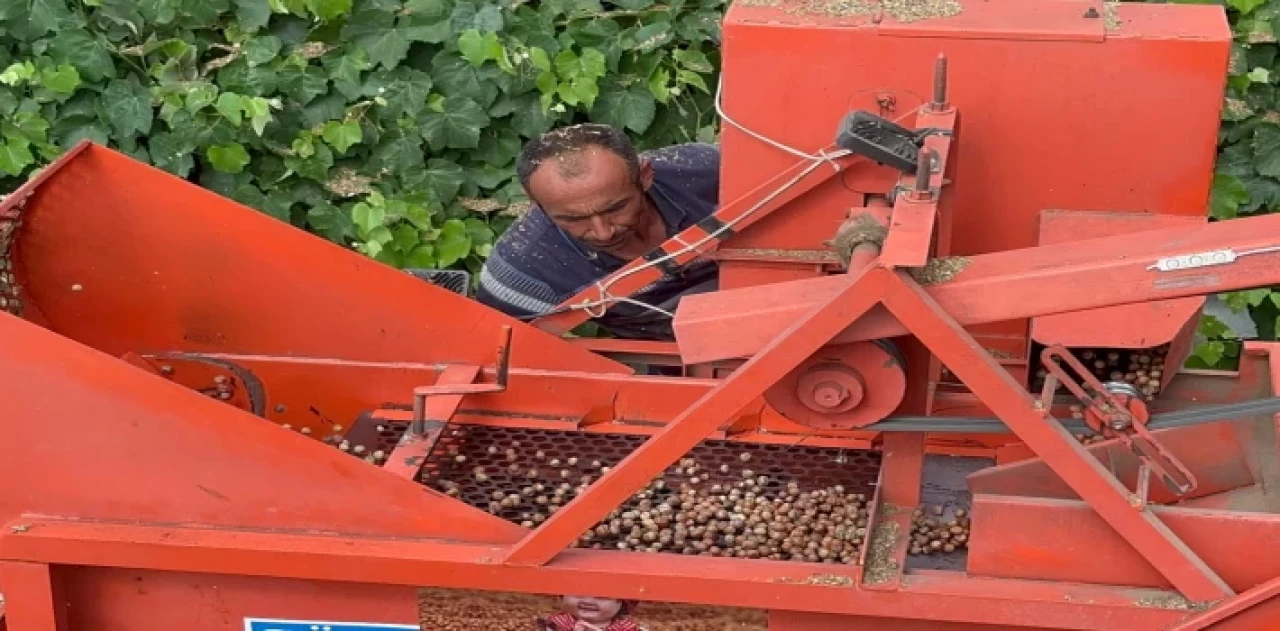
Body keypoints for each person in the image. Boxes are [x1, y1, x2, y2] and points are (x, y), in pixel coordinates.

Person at [476, 123, 720, 340]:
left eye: (616, 208)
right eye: (573, 218)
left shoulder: (708, 173)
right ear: (535, 202)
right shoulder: (520, 270)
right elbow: (498, 353)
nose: (603, 233)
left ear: (645, 176)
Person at [536, 596, 645, 631]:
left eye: (602, 597)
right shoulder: (558, 623)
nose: (588, 601)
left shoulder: (624, 627)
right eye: (578, 594)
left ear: (620, 603)